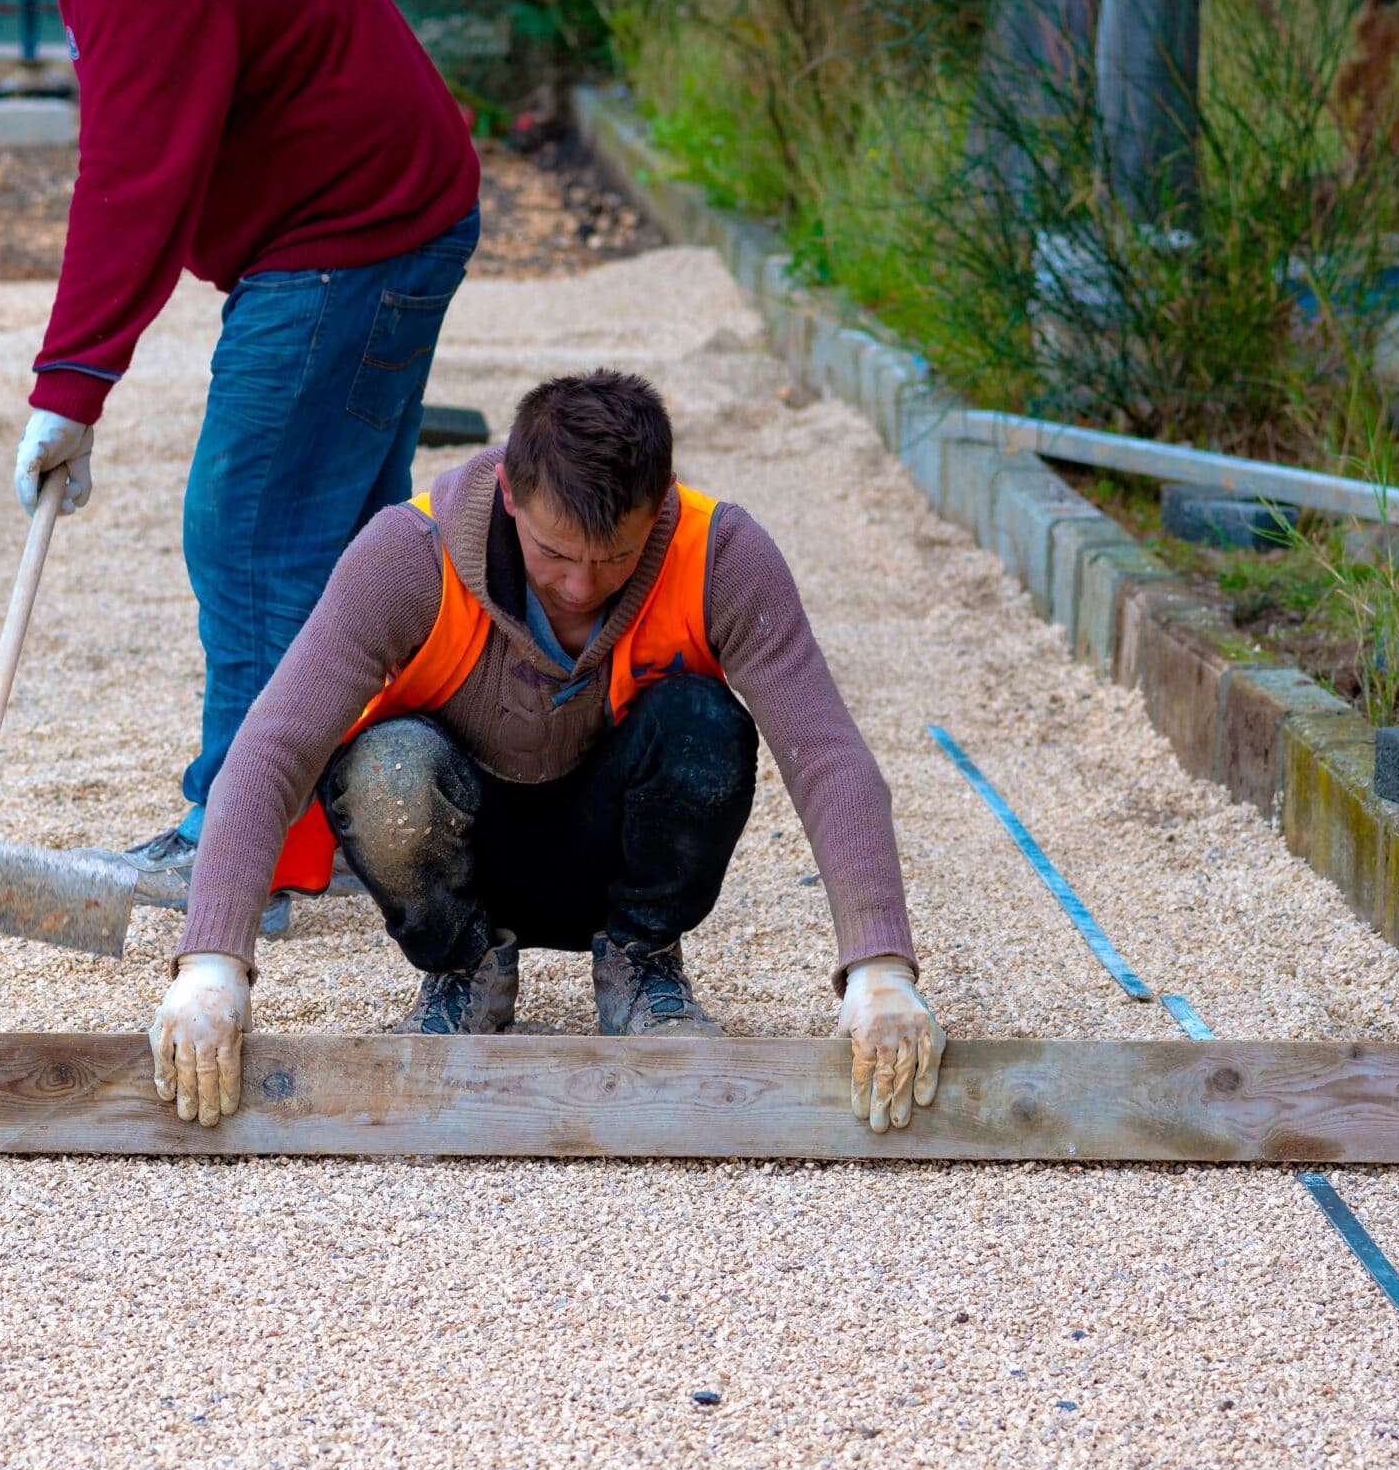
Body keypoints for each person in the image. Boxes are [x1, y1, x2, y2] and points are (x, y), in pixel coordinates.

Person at [147, 370, 941, 1133]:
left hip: (613, 849)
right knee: (387, 767)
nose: (580, 587)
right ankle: (464, 973)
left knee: (705, 724)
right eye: (556, 555)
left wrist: (880, 969)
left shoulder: (722, 555)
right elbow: (272, 747)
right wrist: (212, 963)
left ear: (659, 506)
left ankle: (642, 962)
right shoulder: (408, 555)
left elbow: (828, 755)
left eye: (616, 557)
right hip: (461, 855)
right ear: (510, 498)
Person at [0, 0, 482, 900]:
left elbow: (133, 176)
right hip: (390, 200)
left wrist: (73, 379)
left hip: (348, 227)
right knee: (347, 543)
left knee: (251, 530)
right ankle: (359, 821)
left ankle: (240, 843)